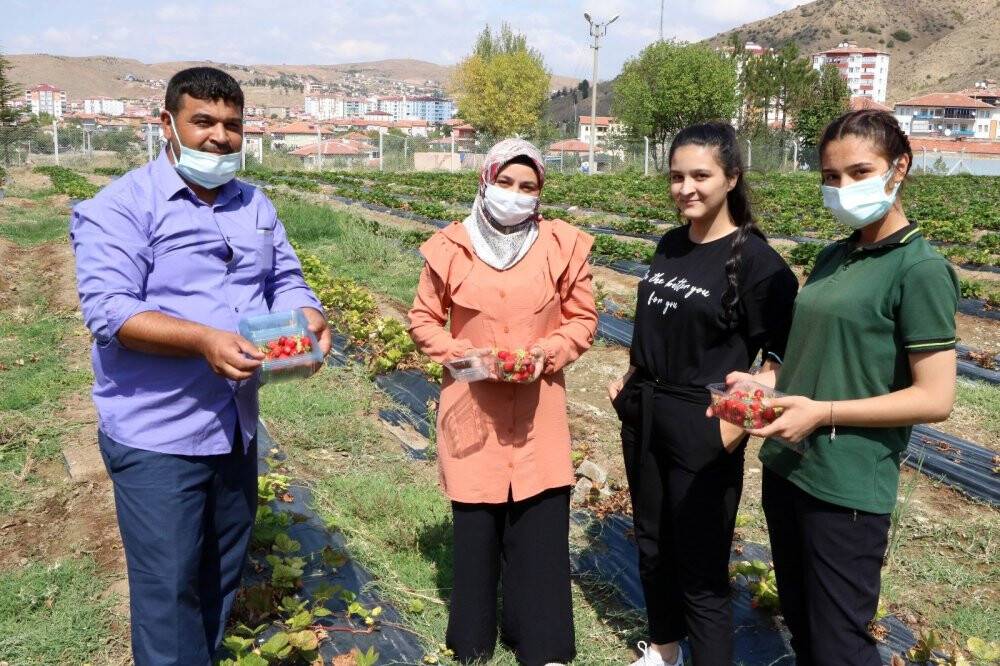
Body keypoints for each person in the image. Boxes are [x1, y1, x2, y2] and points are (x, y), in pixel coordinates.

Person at [70, 67, 330, 665]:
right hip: (158, 434)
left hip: (234, 427)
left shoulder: (253, 204)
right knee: (168, 594)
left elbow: (285, 277)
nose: (220, 137)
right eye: (204, 122)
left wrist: (308, 316)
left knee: (219, 576)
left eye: (232, 125)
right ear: (168, 124)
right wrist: (203, 341)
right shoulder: (120, 207)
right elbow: (112, 313)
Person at [735, 110, 959, 665]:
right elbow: (820, 352)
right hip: (790, 466)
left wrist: (823, 411)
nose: (843, 188)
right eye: (831, 177)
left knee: (840, 643)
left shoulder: (920, 268)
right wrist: (768, 381)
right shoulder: (838, 255)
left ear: (899, 167)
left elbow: (936, 398)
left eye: (859, 171)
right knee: (806, 628)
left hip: (847, 485)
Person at [608, 122, 798, 666]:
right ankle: (664, 650)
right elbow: (658, 323)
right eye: (676, 176)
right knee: (651, 543)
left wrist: (731, 427)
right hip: (647, 412)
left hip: (705, 421)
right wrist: (633, 375)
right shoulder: (670, 244)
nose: (685, 188)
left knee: (701, 565)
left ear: (731, 178)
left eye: (700, 175)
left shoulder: (761, 265)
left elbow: (786, 362)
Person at [407, 138, 598, 666]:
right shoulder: (449, 247)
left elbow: (583, 319)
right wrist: (463, 355)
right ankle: (471, 642)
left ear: (539, 193)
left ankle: (541, 643)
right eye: (505, 183)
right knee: (476, 529)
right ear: (485, 182)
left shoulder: (563, 245)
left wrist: (548, 352)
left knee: (539, 526)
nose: (514, 195)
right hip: (473, 410)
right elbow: (424, 319)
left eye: (527, 187)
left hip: (539, 410)